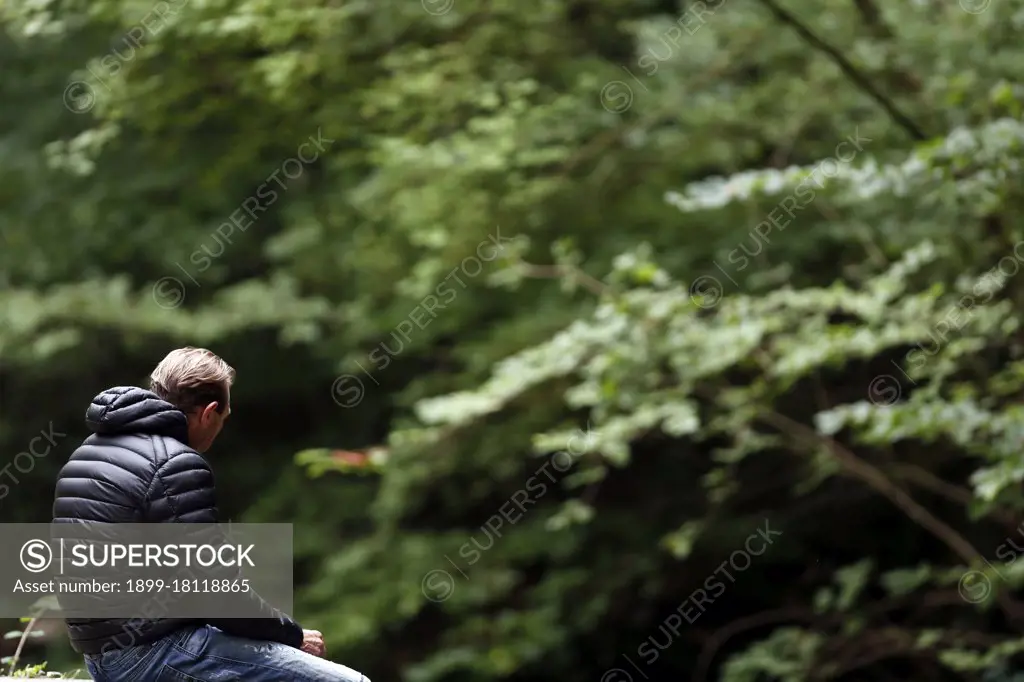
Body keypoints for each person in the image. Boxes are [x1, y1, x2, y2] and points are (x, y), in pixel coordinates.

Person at [53, 347, 369, 682]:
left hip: (100, 656)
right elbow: (214, 591)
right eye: (223, 417)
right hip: (150, 653)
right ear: (210, 412)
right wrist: (293, 636)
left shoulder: (87, 452)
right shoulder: (174, 463)